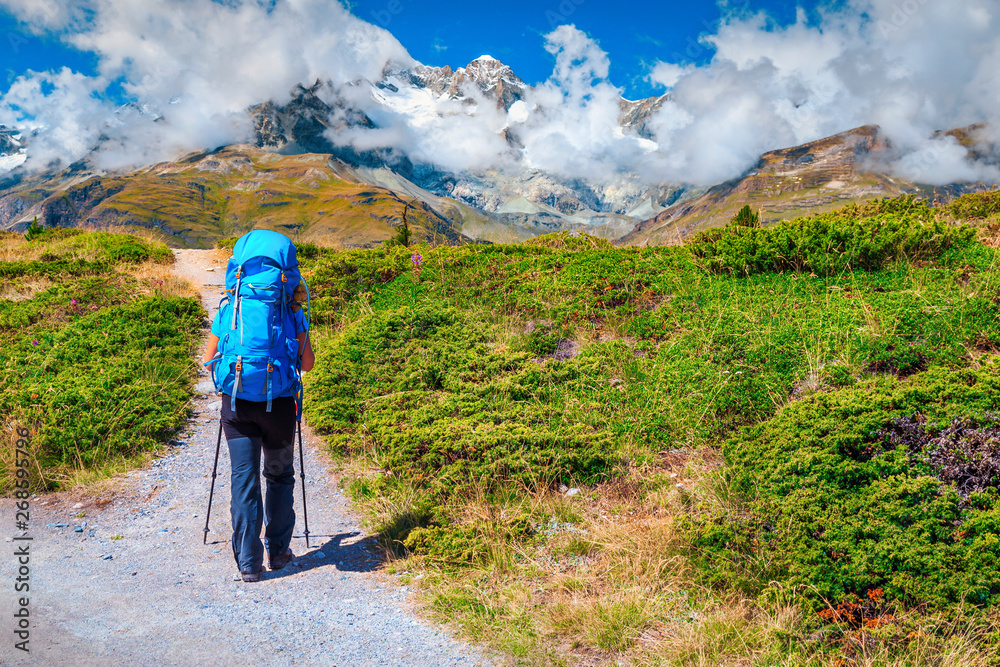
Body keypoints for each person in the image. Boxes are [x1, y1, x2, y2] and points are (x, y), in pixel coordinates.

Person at [203, 269, 315, 583]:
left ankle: (248, 563)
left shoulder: (230, 306)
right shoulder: (292, 310)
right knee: (279, 475)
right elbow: (306, 364)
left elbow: (209, 358)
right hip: (279, 407)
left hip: (237, 406)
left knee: (244, 478)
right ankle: (279, 552)